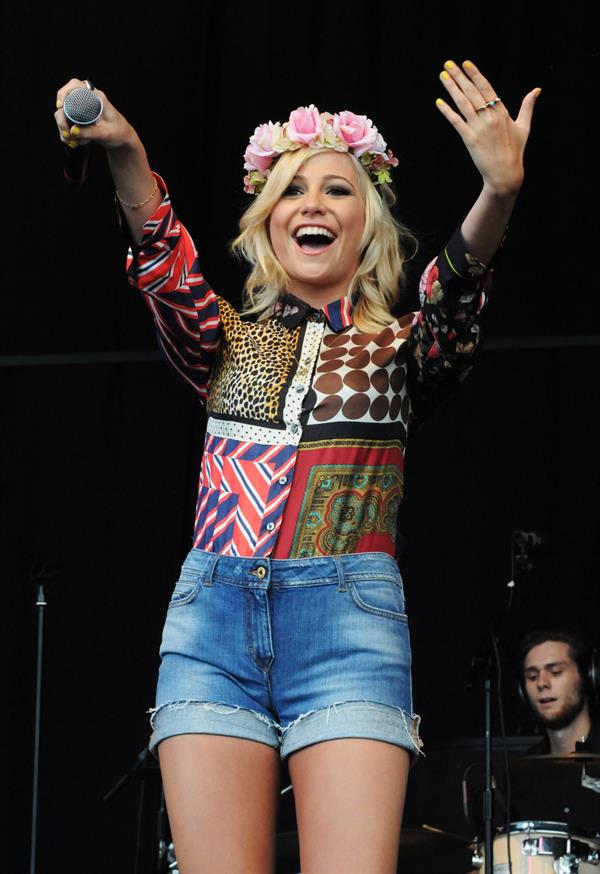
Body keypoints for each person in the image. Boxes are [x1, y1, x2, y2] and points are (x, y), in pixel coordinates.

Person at [55, 61, 540, 874]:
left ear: (368, 225)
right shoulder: (225, 340)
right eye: (291, 189)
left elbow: (454, 295)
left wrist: (498, 192)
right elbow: (162, 258)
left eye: (338, 190)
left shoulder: (398, 349)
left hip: (348, 626)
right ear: (268, 219)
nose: (312, 203)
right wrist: (126, 150)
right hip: (212, 623)